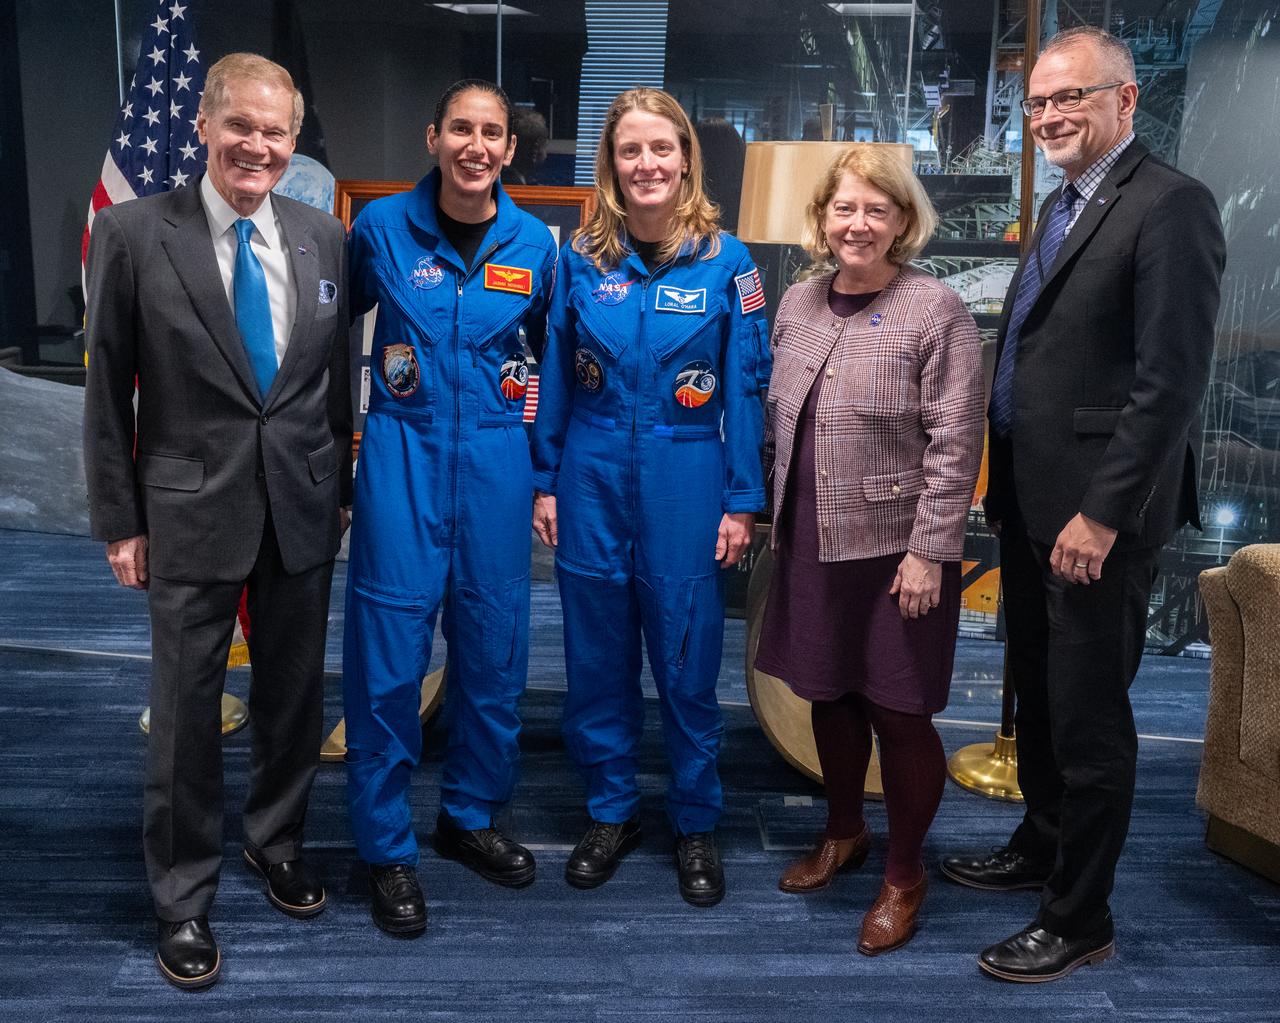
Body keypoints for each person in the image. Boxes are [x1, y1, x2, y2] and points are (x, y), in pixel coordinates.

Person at [938, 26, 1225, 982]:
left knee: (1091, 714)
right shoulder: (1064, 205)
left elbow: (1169, 383)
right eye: (1038, 104)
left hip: (1097, 516)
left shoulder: (1172, 206)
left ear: (1126, 100)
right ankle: (1041, 843)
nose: (1051, 115)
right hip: (1031, 499)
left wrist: (1102, 513)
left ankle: (1080, 913)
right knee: (1045, 697)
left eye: (1073, 98)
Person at [83, 53, 352, 990]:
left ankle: (274, 841)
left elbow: (332, 387)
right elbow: (107, 390)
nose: (258, 145)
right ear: (204, 126)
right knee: (187, 719)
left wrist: (340, 490)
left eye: (276, 131)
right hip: (187, 511)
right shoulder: (130, 234)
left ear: (293, 141)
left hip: (302, 507)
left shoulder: (324, 236)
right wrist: (119, 519)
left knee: (291, 701)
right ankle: (182, 897)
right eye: (241, 125)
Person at [531, 87, 771, 907]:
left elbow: (745, 386)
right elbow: (554, 379)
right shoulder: (579, 260)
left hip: (687, 473)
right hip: (591, 474)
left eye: (661, 149)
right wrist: (545, 478)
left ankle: (696, 819)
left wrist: (742, 501)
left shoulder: (727, 263)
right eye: (631, 150)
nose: (647, 165)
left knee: (685, 659)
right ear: (611, 163)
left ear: (685, 159)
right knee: (596, 659)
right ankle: (610, 810)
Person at [755, 144, 985, 954]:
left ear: (903, 221)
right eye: (843, 208)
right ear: (821, 219)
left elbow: (956, 441)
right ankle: (843, 831)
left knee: (899, 705)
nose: (857, 224)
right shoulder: (798, 302)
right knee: (828, 692)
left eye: (875, 210)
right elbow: (775, 420)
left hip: (897, 553)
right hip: (812, 541)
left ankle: (906, 872)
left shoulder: (936, 309)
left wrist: (930, 550)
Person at [342, 79, 557, 935]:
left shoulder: (536, 245)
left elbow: (556, 360)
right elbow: (323, 333)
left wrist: (544, 472)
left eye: (492, 132)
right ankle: (386, 845)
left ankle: (468, 814)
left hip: (499, 465)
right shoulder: (380, 230)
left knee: (495, 652)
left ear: (510, 149)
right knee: (389, 659)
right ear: (433, 136)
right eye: (461, 128)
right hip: (402, 454)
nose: (476, 144)